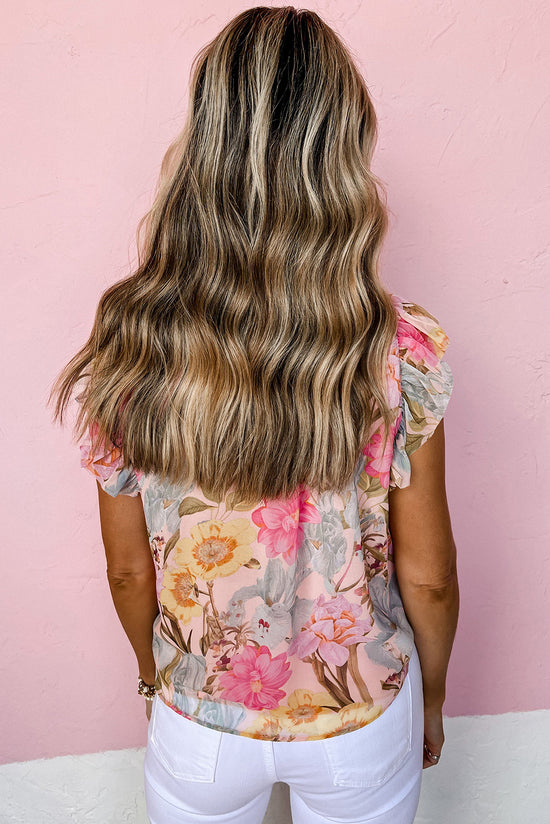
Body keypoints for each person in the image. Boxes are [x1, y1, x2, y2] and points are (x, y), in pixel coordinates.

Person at [48, 6, 459, 823]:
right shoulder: (398, 353)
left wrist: (153, 678)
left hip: (198, 720)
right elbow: (431, 576)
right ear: (341, 151)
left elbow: (130, 570)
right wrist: (435, 695)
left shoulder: (132, 339)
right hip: (361, 716)